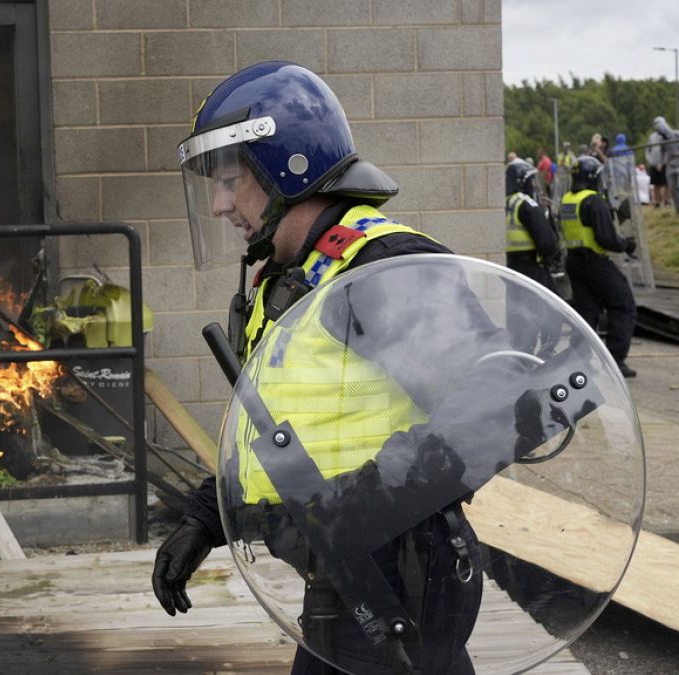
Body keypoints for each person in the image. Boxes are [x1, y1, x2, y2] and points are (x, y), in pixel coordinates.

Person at [154, 61, 493, 674]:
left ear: (290, 165)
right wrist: (206, 517)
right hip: (342, 578)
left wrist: (370, 499)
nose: (217, 204)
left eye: (230, 180)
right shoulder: (294, 279)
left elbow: (492, 403)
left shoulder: (379, 268)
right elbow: (284, 427)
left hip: (398, 578)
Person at [560, 155, 638, 377]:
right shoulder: (594, 201)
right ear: (593, 177)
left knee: (586, 311)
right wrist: (626, 245)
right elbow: (606, 239)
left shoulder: (568, 199)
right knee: (623, 303)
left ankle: (578, 359)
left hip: (574, 262)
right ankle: (615, 360)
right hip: (594, 261)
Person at [505, 158, 563, 353]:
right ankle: (547, 353)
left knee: (519, 315)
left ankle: (521, 354)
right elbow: (547, 242)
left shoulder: (503, 204)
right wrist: (553, 256)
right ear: (523, 182)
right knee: (552, 310)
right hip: (533, 266)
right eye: (531, 181)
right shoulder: (525, 204)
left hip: (510, 268)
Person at [654, 116, 679, 214]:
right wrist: (660, 163)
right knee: (673, 188)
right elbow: (662, 152)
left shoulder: (676, 134)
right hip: (670, 165)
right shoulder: (662, 140)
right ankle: (678, 210)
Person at [646, 126, 668, 208]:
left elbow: (667, 151)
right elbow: (647, 150)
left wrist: (663, 163)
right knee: (656, 184)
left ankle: (666, 201)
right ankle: (658, 202)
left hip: (664, 164)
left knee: (666, 183)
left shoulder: (666, 137)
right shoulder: (651, 137)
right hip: (654, 165)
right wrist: (652, 162)